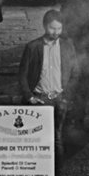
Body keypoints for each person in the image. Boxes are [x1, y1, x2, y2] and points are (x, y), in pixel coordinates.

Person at [18, 9, 70, 138]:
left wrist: (66, 96)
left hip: (59, 99)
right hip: (39, 99)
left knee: (57, 137)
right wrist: (29, 96)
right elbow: (22, 75)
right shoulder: (33, 47)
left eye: (59, 28)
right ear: (44, 26)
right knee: (38, 137)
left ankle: (58, 159)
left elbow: (75, 72)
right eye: (52, 28)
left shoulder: (67, 46)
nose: (56, 32)